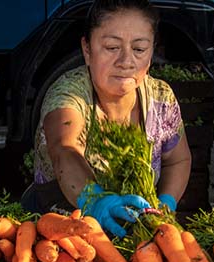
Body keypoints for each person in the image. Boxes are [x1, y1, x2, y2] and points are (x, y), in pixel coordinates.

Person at [21, 0, 191, 238]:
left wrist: (165, 204)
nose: (126, 61)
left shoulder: (161, 99)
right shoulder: (68, 95)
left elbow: (177, 160)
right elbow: (65, 149)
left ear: (151, 54)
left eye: (139, 49)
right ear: (87, 50)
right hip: (56, 232)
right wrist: (95, 200)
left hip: (132, 231)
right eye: (112, 47)